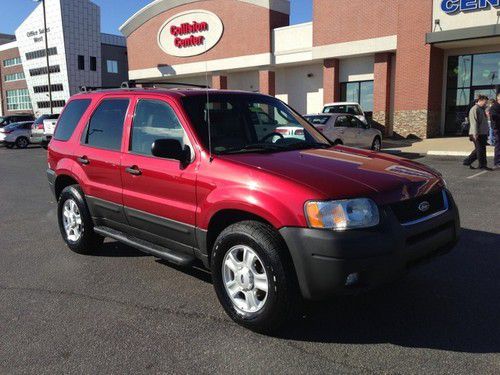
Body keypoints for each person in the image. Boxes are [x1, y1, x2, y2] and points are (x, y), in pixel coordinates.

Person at [463, 95, 491, 170]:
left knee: (479, 149)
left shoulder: (481, 109)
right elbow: (474, 122)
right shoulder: (474, 109)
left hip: (483, 133)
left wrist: (487, 132)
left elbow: (484, 122)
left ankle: (467, 161)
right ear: (480, 100)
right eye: (485, 102)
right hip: (477, 133)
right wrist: (475, 133)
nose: (486, 104)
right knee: (481, 150)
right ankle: (482, 165)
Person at [489, 92, 500, 169]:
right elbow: (494, 116)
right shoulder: (494, 107)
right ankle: (497, 162)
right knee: (498, 145)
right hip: (497, 128)